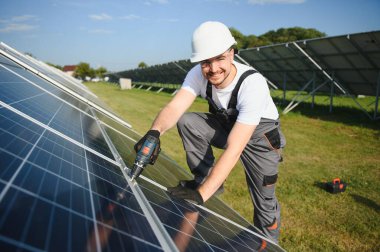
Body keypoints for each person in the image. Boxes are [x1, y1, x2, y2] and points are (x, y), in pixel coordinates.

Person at [134, 21, 285, 243]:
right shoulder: (198, 74)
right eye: (206, 62)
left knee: (264, 200)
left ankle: (267, 242)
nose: (213, 69)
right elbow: (175, 107)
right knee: (187, 120)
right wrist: (154, 133)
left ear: (232, 53)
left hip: (260, 139)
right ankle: (204, 179)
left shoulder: (252, 84)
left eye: (220, 58)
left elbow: (235, 148)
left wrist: (200, 197)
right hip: (227, 125)